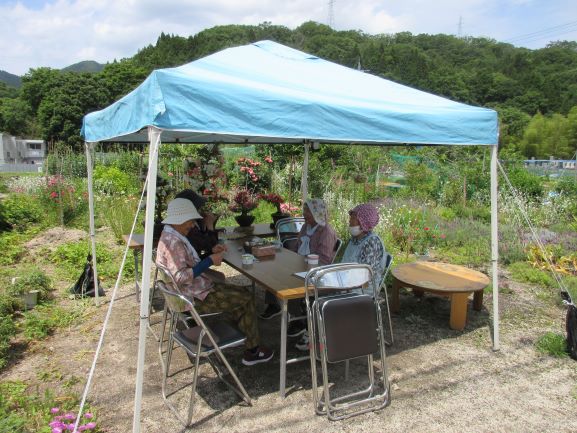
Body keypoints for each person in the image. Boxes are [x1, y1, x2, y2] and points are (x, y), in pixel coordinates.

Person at [156, 198, 274, 366]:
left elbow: (187, 264)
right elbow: (181, 278)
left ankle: (240, 333)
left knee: (237, 292)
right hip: (193, 297)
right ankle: (253, 351)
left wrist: (210, 253)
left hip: (189, 292)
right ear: (179, 220)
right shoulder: (174, 242)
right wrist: (210, 260)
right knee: (246, 297)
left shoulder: (169, 235)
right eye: (190, 221)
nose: (192, 225)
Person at [295, 202, 386, 351]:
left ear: (364, 222)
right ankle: (317, 333)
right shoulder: (354, 240)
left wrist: (335, 281)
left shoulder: (372, 242)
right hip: (347, 283)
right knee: (313, 289)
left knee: (317, 296)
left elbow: (364, 276)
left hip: (361, 290)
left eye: (353, 219)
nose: (350, 221)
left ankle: (321, 337)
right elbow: (346, 265)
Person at [260, 199, 338, 337]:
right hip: (300, 264)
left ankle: (299, 318)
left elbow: (324, 259)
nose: (305, 214)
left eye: (308, 211)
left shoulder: (326, 231)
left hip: (315, 271)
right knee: (273, 270)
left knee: (289, 283)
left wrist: (303, 262)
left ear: (317, 213)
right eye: (305, 210)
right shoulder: (305, 227)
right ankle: (275, 305)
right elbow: (297, 246)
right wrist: (291, 259)